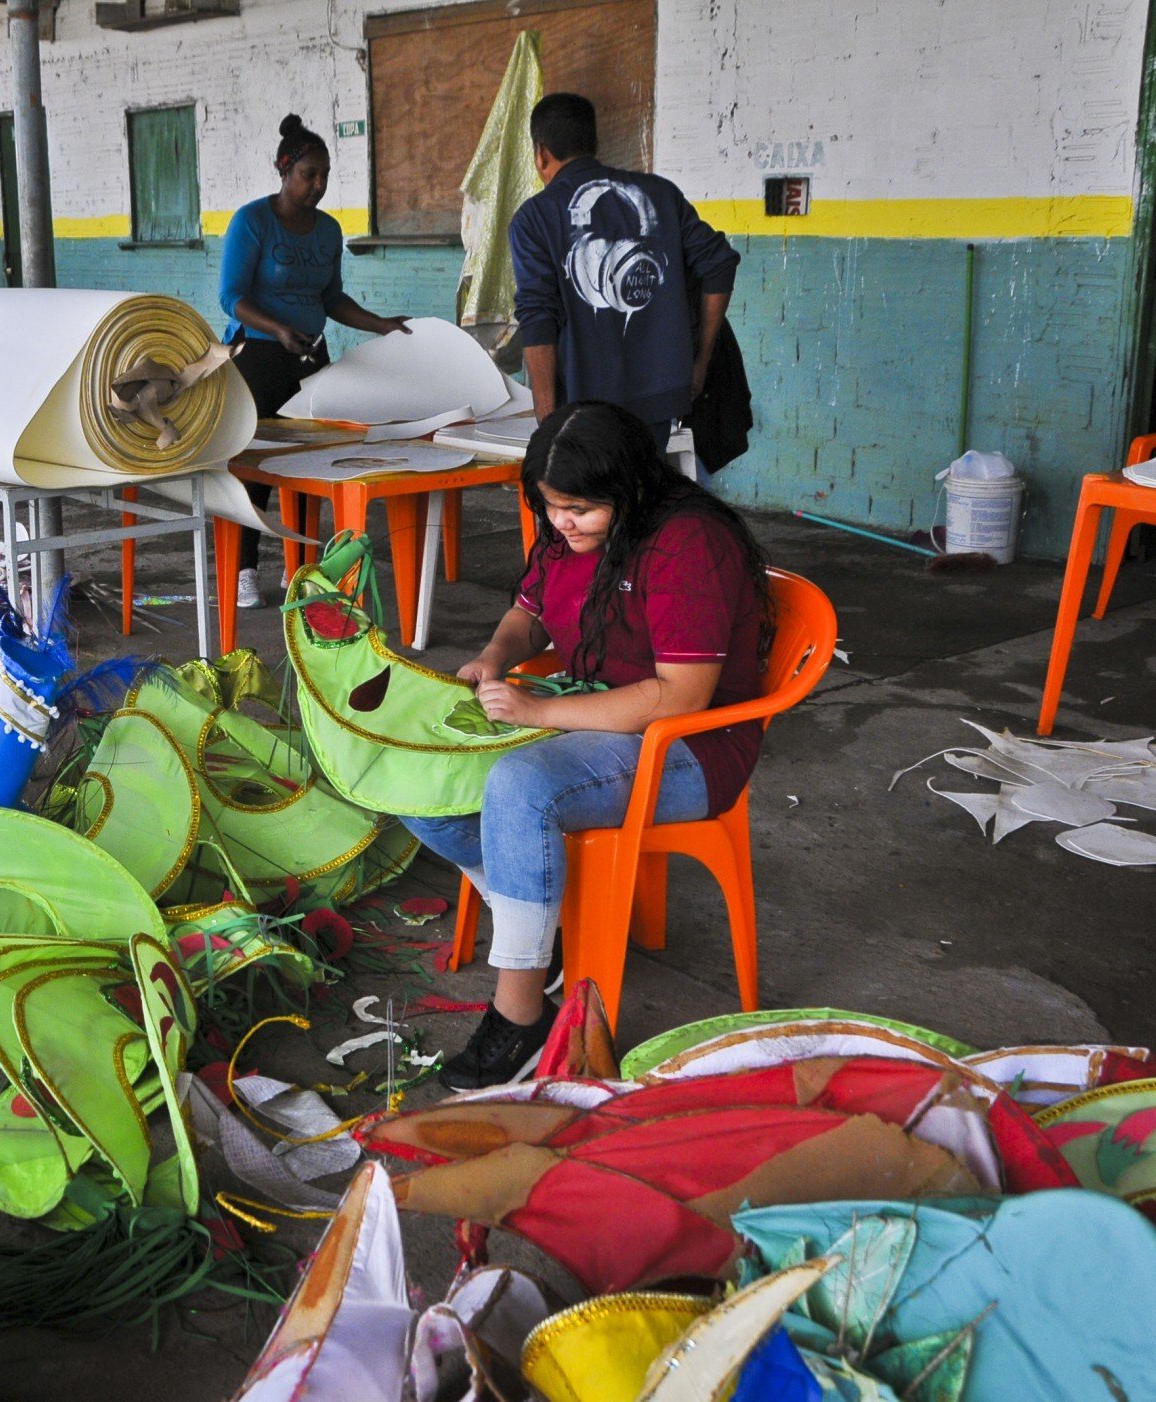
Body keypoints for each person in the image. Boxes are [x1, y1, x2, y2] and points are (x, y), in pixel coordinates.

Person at [395, 401, 773, 1089]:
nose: (562, 523)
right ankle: (546, 925)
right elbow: (529, 615)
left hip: (689, 746)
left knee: (521, 785)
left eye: (578, 508)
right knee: (415, 778)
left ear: (629, 488)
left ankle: (521, 1017)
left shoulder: (688, 543)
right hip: (592, 712)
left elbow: (681, 696)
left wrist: (538, 708)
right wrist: (493, 656)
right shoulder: (567, 534)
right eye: (550, 508)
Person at [220, 113, 411, 608]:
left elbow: (332, 299)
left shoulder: (328, 231)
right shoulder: (253, 222)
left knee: (307, 464)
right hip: (258, 355)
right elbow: (232, 298)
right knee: (255, 464)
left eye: (325, 175)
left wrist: (381, 324)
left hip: (308, 355)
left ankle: (298, 565)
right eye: (309, 175)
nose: (319, 185)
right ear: (285, 172)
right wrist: (277, 328)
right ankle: (244, 568)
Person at [510, 93, 741, 452]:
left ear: (541, 154)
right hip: (660, 397)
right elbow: (720, 264)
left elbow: (537, 314)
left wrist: (546, 414)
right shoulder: (661, 195)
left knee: (591, 504)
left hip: (583, 408)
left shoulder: (534, 217)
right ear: (594, 143)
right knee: (642, 500)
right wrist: (700, 363)